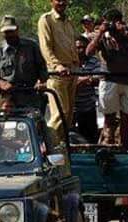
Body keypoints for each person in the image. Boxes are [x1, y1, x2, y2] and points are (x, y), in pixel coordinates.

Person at [86, 8, 128, 145]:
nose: (112, 25)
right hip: (109, 80)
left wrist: (125, 33)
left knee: (126, 121)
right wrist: (101, 32)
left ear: (121, 21)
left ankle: (123, 148)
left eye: (115, 22)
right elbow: (88, 52)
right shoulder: (102, 34)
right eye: (109, 23)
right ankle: (108, 146)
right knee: (109, 120)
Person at [0, 15, 48, 112]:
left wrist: (42, 82)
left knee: (34, 124)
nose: (9, 34)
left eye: (11, 31)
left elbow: (42, 67)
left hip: (31, 95)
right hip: (8, 99)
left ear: (17, 30)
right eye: (6, 32)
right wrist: (1, 83)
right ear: (1, 32)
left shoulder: (31, 46)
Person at [38, 0, 79, 145]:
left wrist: (76, 63)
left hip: (72, 72)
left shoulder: (69, 21)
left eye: (64, 0)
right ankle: (47, 146)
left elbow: (72, 45)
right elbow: (45, 47)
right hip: (58, 74)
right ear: (51, 2)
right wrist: (57, 66)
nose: (61, 2)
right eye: (58, 0)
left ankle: (61, 146)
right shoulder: (46, 19)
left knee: (68, 116)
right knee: (60, 114)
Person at [74, 35, 101, 143]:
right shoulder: (69, 61)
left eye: (82, 47)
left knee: (90, 137)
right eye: (77, 47)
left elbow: (99, 76)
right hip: (72, 107)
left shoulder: (93, 61)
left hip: (88, 107)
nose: (79, 50)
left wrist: (83, 80)